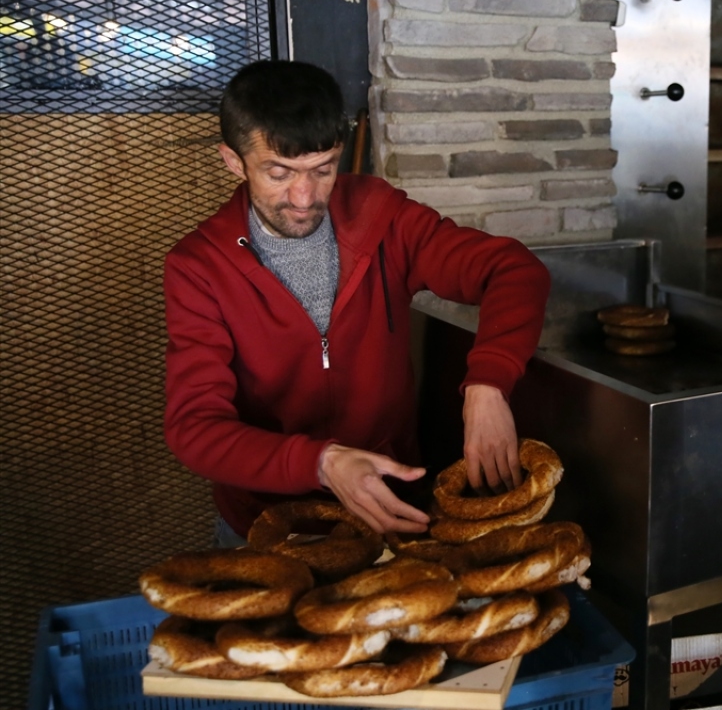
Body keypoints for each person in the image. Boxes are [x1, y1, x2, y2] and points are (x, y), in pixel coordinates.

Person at [163, 60, 551, 546]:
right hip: (269, 528)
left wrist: (488, 385)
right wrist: (321, 463)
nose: (304, 197)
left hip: (391, 514)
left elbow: (513, 270)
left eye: (323, 170)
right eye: (279, 173)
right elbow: (194, 428)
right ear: (233, 162)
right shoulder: (198, 266)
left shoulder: (382, 217)